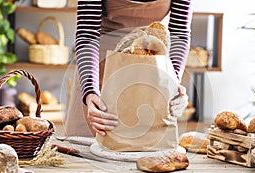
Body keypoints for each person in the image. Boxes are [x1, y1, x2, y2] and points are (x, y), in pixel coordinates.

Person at [65, 0, 193, 137]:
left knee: (144, 151)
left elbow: (179, 33)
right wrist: (90, 91)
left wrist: (172, 81)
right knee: (84, 151)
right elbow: (88, 34)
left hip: (149, 68)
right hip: (97, 70)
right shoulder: (93, 85)